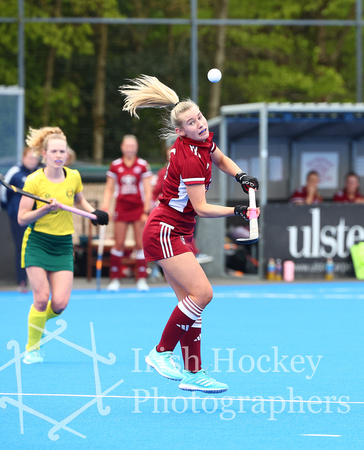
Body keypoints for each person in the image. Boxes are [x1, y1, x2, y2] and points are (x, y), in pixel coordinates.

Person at [119, 75, 259, 393]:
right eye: (191, 123)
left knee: (189, 303)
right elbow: (202, 207)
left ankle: (193, 374)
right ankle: (160, 353)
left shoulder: (203, 141)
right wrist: (237, 211)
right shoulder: (189, 158)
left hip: (178, 231)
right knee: (203, 294)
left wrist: (241, 176)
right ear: (180, 131)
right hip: (165, 232)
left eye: (199, 117)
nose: (199, 124)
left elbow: (220, 157)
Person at [18, 127, 108, 364]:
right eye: (54, 151)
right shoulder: (34, 180)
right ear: (44, 154)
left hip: (63, 245)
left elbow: (79, 199)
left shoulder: (74, 176)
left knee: (59, 304)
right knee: (41, 298)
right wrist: (45, 209)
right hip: (37, 243)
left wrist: (94, 213)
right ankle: (32, 348)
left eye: (62, 151)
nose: (59, 155)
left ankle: (36, 321)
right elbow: (22, 217)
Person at [101, 134, 152, 292]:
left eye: (132, 146)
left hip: (138, 208)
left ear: (136, 147)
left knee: (139, 243)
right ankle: (115, 279)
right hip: (121, 208)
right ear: (122, 147)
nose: (130, 148)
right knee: (119, 243)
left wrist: (146, 211)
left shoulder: (143, 165)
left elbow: (148, 189)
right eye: (127, 146)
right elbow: (109, 189)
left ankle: (142, 279)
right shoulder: (115, 165)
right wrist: (105, 207)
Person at [152, 145, 214, 265]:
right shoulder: (163, 172)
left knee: (189, 232)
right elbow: (155, 192)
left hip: (189, 209)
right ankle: (190, 254)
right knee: (178, 235)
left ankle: (192, 253)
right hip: (172, 211)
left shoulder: (189, 167)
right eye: (170, 154)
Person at [0, 147, 41, 293]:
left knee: (38, 248)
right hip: (18, 218)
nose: (32, 160)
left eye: (35, 158)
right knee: (21, 248)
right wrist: (11, 210)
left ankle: (40, 283)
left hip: (38, 218)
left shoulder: (41, 173)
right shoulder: (14, 172)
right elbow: (4, 193)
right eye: (29, 157)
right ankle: (22, 282)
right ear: (23, 157)